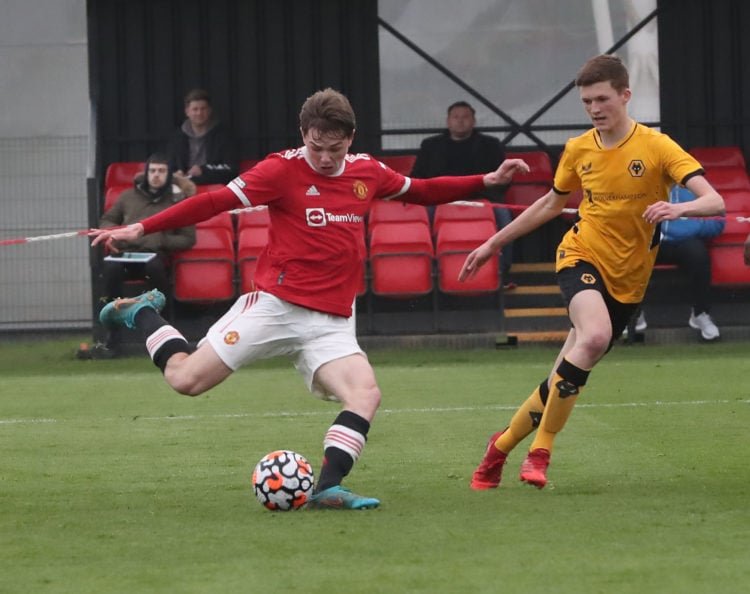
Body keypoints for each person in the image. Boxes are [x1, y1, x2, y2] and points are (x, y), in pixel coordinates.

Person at [90, 88, 530, 509]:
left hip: (332, 320)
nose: (324, 158)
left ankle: (328, 489)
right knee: (185, 380)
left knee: (365, 394)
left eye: (334, 150)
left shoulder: (366, 172)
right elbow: (215, 203)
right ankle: (142, 312)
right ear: (304, 134)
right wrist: (140, 228)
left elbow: (422, 191)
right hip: (275, 306)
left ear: (349, 140)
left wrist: (485, 180)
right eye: (316, 147)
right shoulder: (279, 170)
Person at [460, 55, 725, 490]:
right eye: (586, 102)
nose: (595, 109)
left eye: (602, 99)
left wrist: (678, 207)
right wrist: (493, 243)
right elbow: (550, 204)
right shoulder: (579, 148)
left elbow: (714, 201)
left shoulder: (657, 147)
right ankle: (540, 452)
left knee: (564, 373)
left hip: (629, 280)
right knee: (595, 337)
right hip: (580, 255)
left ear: (625, 95)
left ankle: (498, 450)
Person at [81, 154, 196, 359]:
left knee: (156, 271)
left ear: (169, 175)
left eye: (161, 171)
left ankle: (164, 328)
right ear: (146, 173)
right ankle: (112, 334)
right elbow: (107, 220)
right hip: (125, 254)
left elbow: (188, 238)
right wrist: (113, 236)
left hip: (157, 256)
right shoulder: (127, 197)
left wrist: (161, 241)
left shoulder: (178, 200)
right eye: (153, 171)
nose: (156, 176)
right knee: (109, 270)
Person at [410, 101, 517, 289]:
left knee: (506, 221)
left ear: (474, 121)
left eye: (465, 117)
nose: (460, 121)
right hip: (440, 201)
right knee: (421, 221)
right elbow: (418, 178)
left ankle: (502, 274)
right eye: (456, 117)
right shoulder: (430, 145)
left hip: (484, 200)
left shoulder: (491, 145)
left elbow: (502, 181)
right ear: (448, 121)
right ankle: (432, 275)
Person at [631, 185, 724, 341]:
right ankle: (633, 313)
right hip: (649, 241)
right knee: (631, 255)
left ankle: (700, 314)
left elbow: (719, 222)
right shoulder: (640, 183)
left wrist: (687, 228)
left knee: (698, 254)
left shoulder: (696, 188)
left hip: (684, 242)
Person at [167, 88, 238, 185]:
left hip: (214, 186)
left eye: (203, 109)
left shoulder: (223, 136)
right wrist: (176, 173)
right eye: (195, 109)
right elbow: (169, 166)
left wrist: (203, 170)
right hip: (182, 186)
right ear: (187, 111)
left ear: (209, 111)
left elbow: (231, 169)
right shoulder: (177, 137)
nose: (199, 113)